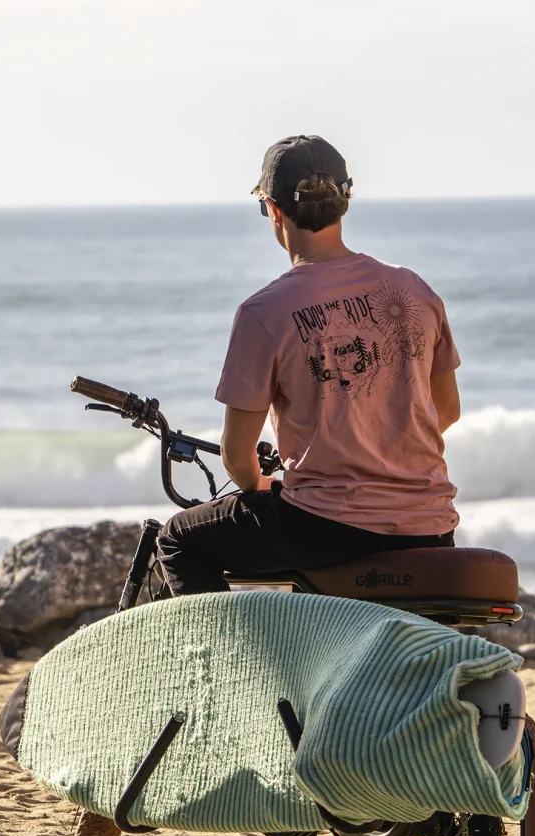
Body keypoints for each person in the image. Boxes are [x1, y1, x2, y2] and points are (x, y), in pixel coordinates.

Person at [157, 134, 462, 596]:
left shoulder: (264, 313)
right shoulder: (415, 292)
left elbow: (237, 459)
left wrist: (264, 484)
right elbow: (447, 412)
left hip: (325, 528)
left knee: (179, 539)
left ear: (274, 211)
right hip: (431, 523)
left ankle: (225, 666)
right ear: (346, 201)